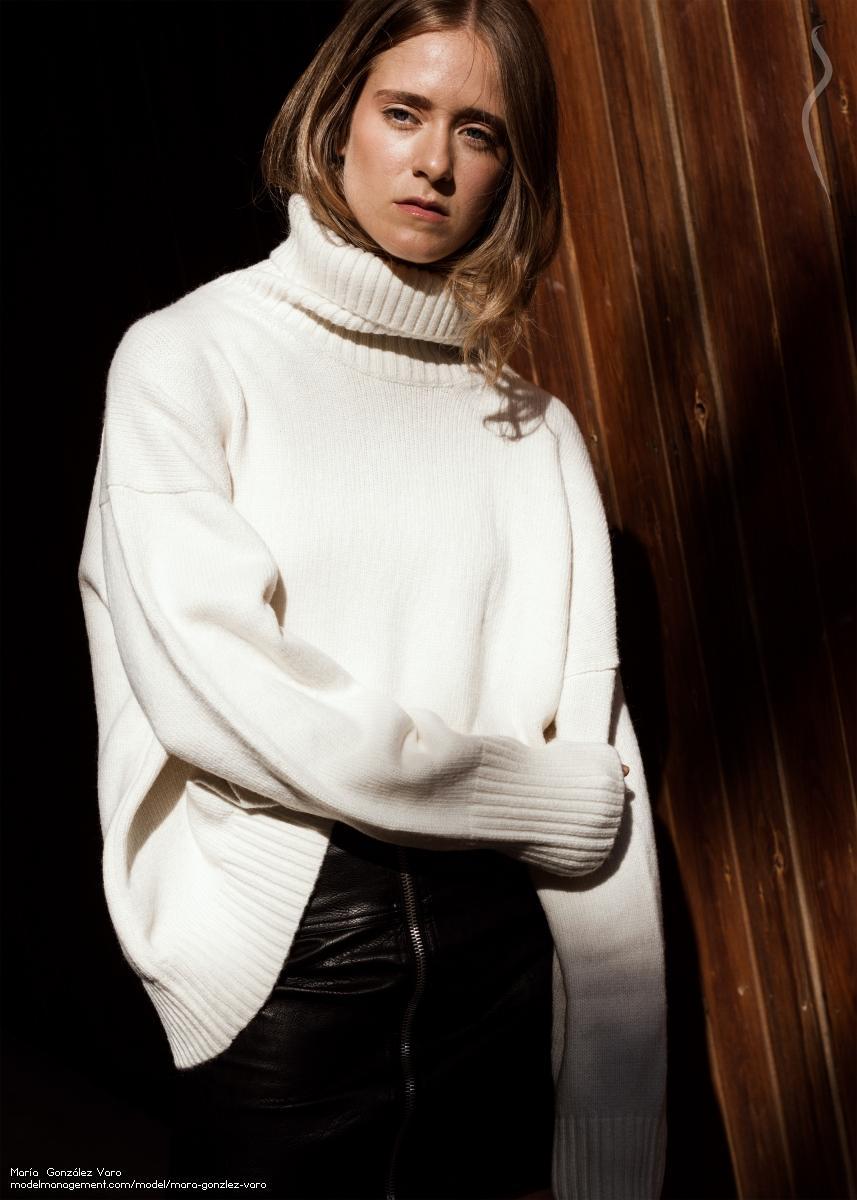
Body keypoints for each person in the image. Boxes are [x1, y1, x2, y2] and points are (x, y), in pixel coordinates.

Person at [76, 1, 668, 1197]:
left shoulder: (534, 432)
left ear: (510, 173)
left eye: (479, 132)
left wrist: (611, 1130)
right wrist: (520, 796)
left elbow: (597, 778)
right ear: (335, 118)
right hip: (287, 970)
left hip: (502, 974)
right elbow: (222, 694)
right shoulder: (188, 358)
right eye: (404, 112)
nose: (434, 161)